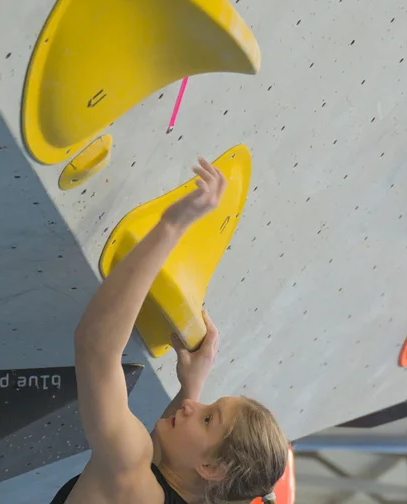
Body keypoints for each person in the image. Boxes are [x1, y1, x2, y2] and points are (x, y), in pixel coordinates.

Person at [51, 157, 288, 504]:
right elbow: (162, 461)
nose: (192, 407)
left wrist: (172, 226)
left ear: (210, 468)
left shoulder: (131, 476)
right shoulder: (189, 489)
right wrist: (191, 385)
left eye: (208, 418)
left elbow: (95, 349)